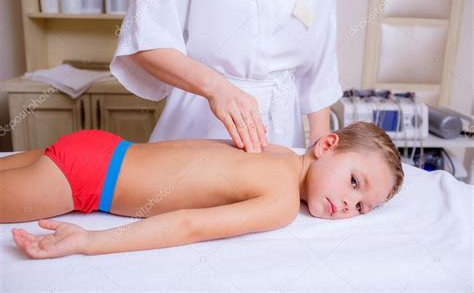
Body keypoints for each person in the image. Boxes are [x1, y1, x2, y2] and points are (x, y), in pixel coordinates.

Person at [1, 122, 404, 259]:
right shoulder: (281, 201)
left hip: (103, 147)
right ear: (326, 145)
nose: (349, 204)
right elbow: (188, 225)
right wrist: (89, 242)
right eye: (354, 182)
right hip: (87, 180)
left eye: (362, 207)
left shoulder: (279, 151)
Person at [110, 0, 343, 153]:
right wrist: (216, 89)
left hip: (283, 143)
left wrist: (319, 149)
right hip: (197, 129)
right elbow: (143, 40)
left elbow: (321, 70)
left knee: (277, 212)